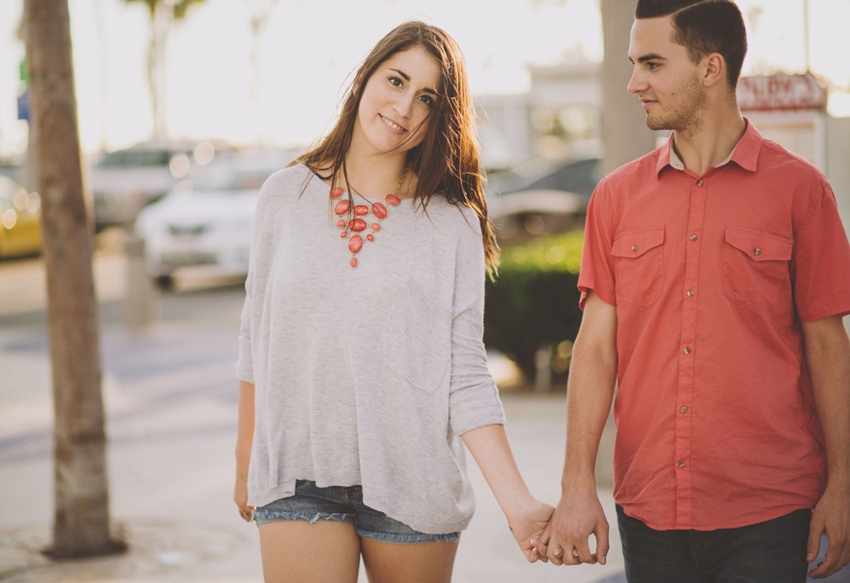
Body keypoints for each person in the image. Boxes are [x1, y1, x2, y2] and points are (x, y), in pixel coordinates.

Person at [538, 1, 850, 581]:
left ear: (711, 68)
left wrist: (844, 484)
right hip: (650, 509)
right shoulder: (615, 197)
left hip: (770, 509)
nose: (635, 83)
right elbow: (595, 348)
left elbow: (828, 346)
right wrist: (576, 484)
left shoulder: (802, 192)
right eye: (634, 64)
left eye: (653, 64)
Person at [233, 21, 553, 583]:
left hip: (413, 481)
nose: (404, 106)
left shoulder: (452, 222)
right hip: (297, 476)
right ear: (362, 79)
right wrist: (247, 461)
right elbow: (254, 335)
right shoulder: (284, 196)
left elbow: (465, 372)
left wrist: (519, 502)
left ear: (440, 116)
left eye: (426, 97)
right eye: (396, 80)